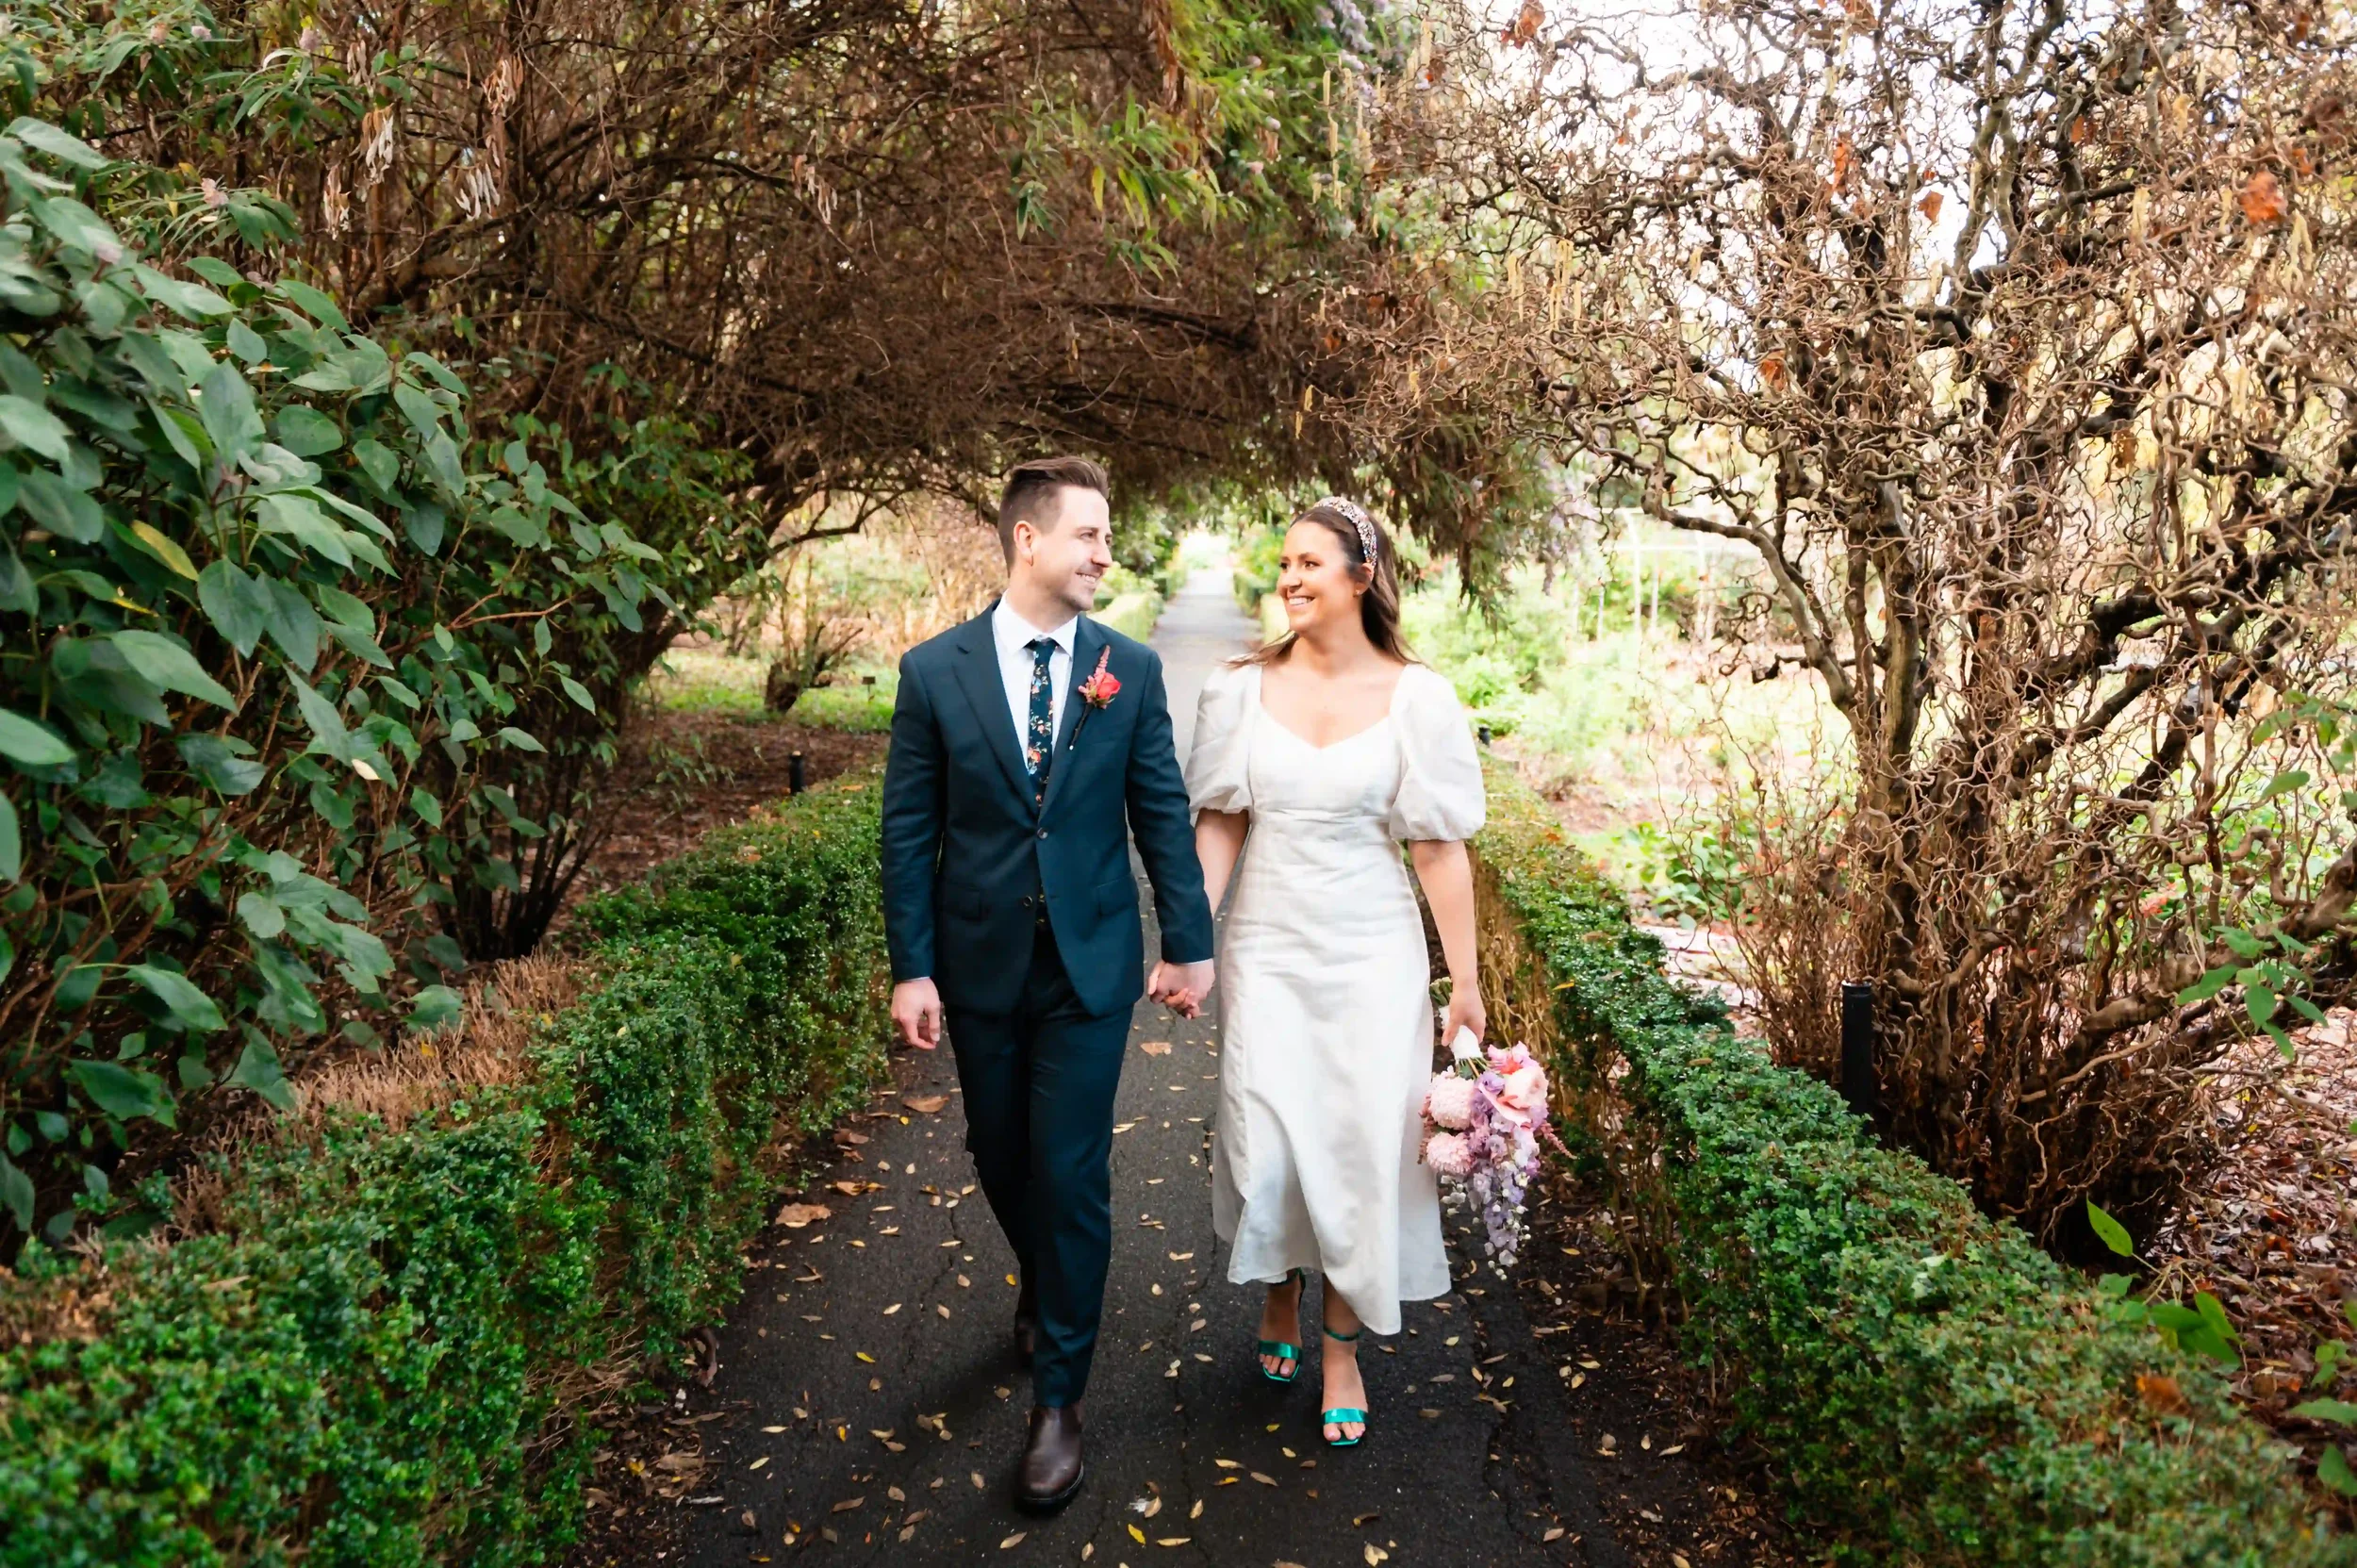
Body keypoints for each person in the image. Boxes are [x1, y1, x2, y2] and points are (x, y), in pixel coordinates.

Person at [880, 455, 1216, 1512]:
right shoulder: (934, 671)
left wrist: (1188, 941)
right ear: (1028, 540)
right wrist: (912, 964)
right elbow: (908, 831)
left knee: (1069, 1173)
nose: (1104, 555)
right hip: (977, 963)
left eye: (1105, 538)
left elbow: (1160, 809)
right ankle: (1050, 1282)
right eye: (1088, 536)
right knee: (999, 1150)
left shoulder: (1127, 669)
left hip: (1089, 964)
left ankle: (1058, 1400)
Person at [1186, 496, 1487, 1447]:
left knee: (1362, 1151)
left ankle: (1341, 1344)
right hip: (1269, 943)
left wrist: (1465, 985)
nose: (1291, 577)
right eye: (1284, 562)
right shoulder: (1239, 689)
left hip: (1373, 956)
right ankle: (1277, 1286)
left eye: (1311, 561)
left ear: (1363, 576)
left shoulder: (1419, 698)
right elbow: (1223, 818)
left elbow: (1438, 848)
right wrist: (1190, 938)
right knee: (1266, 1137)